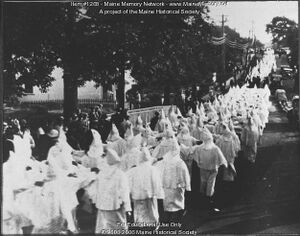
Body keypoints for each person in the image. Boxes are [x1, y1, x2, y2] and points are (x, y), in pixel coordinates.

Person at [93, 149, 132, 233]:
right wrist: (127, 207)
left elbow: (96, 189)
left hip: (102, 204)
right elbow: (124, 192)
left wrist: (96, 201)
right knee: (118, 227)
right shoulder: (121, 174)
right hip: (116, 205)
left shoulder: (101, 174)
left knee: (103, 226)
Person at [154, 138, 190, 224]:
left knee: (167, 203)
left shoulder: (163, 161)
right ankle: (175, 221)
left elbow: (158, 171)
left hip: (166, 186)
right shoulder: (180, 162)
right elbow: (185, 175)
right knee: (177, 204)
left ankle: (167, 219)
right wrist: (187, 186)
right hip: (177, 187)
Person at [192, 127, 227, 210]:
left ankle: (202, 194)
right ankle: (209, 196)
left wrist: (199, 162)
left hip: (203, 167)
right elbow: (221, 158)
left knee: (203, 180)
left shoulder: (200, 148)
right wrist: (224, 164)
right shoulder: (215, 148)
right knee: (211, 182)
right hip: (213, 168)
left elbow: (195, 157)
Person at [127, 148, 164, 226]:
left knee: (139, 215)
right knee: (151, 213)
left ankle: (140, 226)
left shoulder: (133, 171)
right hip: (150, 196)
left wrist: (129, 196)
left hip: (137, 197)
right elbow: (157, 183)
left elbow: (128, 184)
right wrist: (159, 195)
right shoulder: (153, 169)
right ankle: (151, 227)